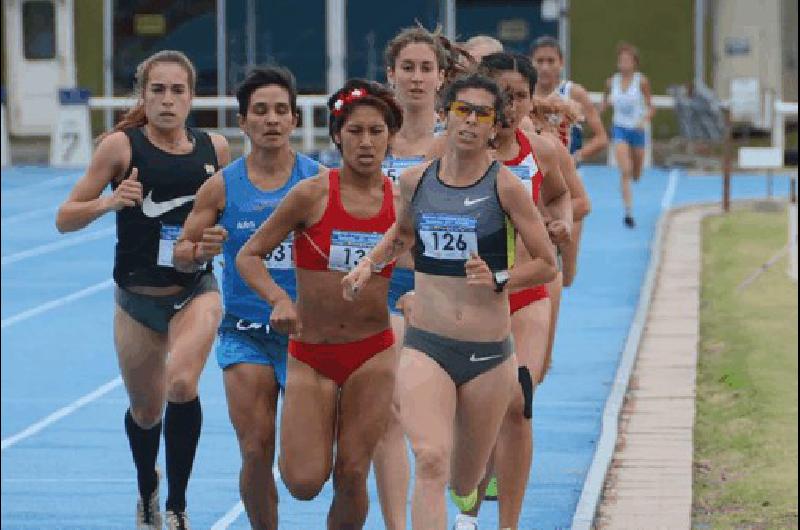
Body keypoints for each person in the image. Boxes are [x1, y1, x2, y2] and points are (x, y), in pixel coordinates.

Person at [343, 73, 557, 529]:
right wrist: (368, 265)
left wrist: (501, 275)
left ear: (494, 124)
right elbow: (402, 234)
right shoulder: (416, 181)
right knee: (430, 460)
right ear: (445, 115)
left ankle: (469, 493)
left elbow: (546, 263)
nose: (471, 122)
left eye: (482, 114)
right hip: (428, 344)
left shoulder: (506, 188)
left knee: (465, 480)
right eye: (463, 110)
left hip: (488, 354)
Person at [55, 50, 230, 530]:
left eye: (178, 90)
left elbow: (226, 219)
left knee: (182, 383)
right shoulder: (120, 147)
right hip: (136, 300)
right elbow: (63, 218)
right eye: (158, 90)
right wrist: (109, 203)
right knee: (146, 411)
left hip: (196, 289)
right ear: (143, 95)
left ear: (192, 97)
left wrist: (217, 237)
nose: (168, 100)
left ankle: (177, 505)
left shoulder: (215, 149)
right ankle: (147, 489)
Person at [236, 79, 403, 530]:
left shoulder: (402, 201)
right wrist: (277, 299)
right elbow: (248, 255)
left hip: (373, 351)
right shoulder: (311, 194)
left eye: (376, 132)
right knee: (304, 481)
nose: (366, 142)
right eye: (355, 132)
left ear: (390, 137)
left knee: (352, 472)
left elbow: (425, 264)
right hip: (311, 353)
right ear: (337, 135)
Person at [172, 66, 320, 530]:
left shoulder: (317, 182)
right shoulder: (221, 186)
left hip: (307, 337)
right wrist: (199, 251)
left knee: (307, 476)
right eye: (261, 111)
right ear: (243, 122)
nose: (272, 120)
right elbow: (179, 254)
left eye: (281, 111)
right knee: (256, 448)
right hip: (246, 334)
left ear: (295, 119)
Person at [450, 52, 572, 530]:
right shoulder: (453, 152)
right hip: (469, 298)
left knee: (518, 401)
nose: (510, 105)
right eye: (502, 95)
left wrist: (558, 222)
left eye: (520, 95)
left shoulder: (541, 150)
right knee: (475, 409)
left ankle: (508, 524)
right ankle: (469, 512)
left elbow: (560, 194)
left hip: (524, 292)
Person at [372, 25, 447, 530]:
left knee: (438, 420)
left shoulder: (454, 141)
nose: (416, 78)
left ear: (441, 77)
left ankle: (451, 499)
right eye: (408, 68)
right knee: (390, 409)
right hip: (387, 285)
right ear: (391, 76)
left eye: (426, 69)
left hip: (444, 289)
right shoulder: (372, 136)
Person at [600, 41, 655, 228]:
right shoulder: (611, 81)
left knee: (637, 174)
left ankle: (632, 178)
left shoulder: (642, 82)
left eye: (627, 60)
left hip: (637, 131)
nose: (624, 63)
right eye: (621, 60)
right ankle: (628, 212)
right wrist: (597, 113)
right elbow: (604, 102)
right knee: (625, 170)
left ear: (634, 63)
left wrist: (643, 121)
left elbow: (651, 108)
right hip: (620, 129)